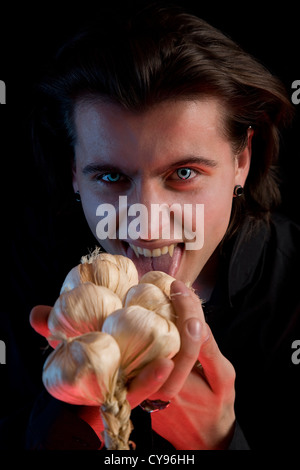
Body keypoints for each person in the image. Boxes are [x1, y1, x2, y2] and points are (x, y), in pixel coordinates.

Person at [1, 3, 299, 450]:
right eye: (111, 177)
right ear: (74, 173)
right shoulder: (17, 269)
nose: (147, 222)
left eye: (183, 174)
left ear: (241, 161)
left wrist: (220, 443)